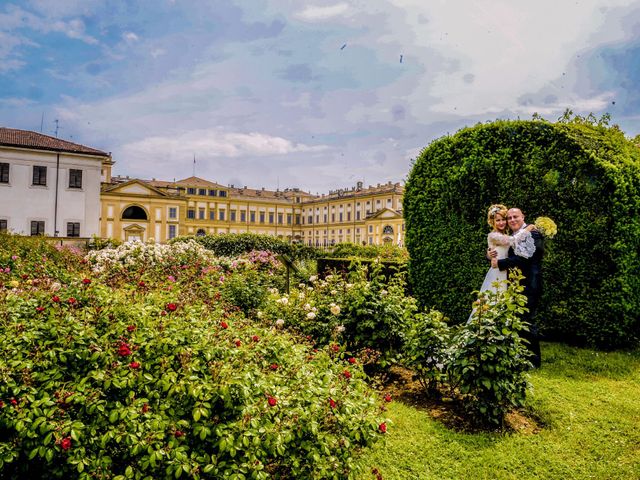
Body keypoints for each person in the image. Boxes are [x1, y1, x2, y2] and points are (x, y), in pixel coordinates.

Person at [490, 207, 544, 367]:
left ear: (523, 217)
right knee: (520, 320)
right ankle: (521, 356)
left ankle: (534, 361)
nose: (512, 220)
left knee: (528, 320)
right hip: (516, 284)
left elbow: (524, 258)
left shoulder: (533, 233)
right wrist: (490, 254)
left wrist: (499, 263)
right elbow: (503, 248)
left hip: (530, 283)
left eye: (516, 217)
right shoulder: (514, 235)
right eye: (509, 217)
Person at [478, 204, 535, 295]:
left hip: (507, 271)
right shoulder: (493, 236)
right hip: (498, 272)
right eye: (498, 220)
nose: (501, 223)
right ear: (493, 222)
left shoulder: (507, 234)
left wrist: (489, 255)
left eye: (503, 219)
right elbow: (513, 240)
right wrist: (527, 229)